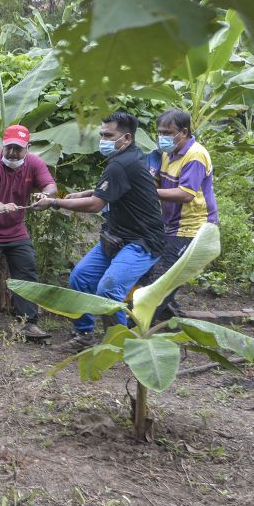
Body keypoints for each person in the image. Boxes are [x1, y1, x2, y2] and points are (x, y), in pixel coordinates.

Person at [31, 110, 165, 352]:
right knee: (79, 278)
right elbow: (111, 190)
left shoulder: (122, 164)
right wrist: (84, 192)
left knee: (109, 289)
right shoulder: (131, 156)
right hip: (116, 237)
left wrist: (54, 202)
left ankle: (120, 345)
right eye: (101, 134)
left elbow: (95, 205)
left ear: (126, 138)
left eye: (108, 135)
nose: (103, 140)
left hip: (142, 242)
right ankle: (84, 336)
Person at [0, 125, 57, 343]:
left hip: (14, 230)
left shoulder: (34, 163)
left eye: (18, 149)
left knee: (27, 268)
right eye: (9, 148)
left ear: (27, 148)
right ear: (2, 146)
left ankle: (28, 323)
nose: (13, 153)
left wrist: (45, 196)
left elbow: (50, 185)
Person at [145, 109, 219, 321]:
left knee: (163, 277)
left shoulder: (195, 155)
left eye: (167, 132)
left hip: (192, 225)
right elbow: (159, 180)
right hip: (171, 223)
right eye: (159, 132)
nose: (162, 137)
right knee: (162, 274)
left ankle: (138, 325)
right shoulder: (169, 152)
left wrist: (148, 192)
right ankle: (170, 319)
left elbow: (185, 194)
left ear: (183, 132)